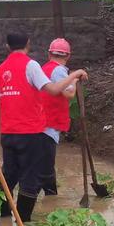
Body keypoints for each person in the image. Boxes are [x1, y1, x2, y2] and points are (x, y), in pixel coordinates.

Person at [0, 33, 88, 222]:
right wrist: (75, 75)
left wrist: (5, 125)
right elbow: (54, 90)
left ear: (7, 47)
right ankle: (24, 223)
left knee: (9, 176)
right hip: (30, 133)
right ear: (28, 45)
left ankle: (4, 217)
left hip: (7, 133)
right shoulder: (31, 65)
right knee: (30, 178)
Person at [39, 38, 77, 195]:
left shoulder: (43, 68)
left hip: (39, 121)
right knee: (47, 166)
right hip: (48, 124)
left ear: (49, 54)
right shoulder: (59, 71)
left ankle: (48, 195)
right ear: (68, 56)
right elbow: (69, 93)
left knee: (41, 163)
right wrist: (74, 79)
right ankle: (50, 198)